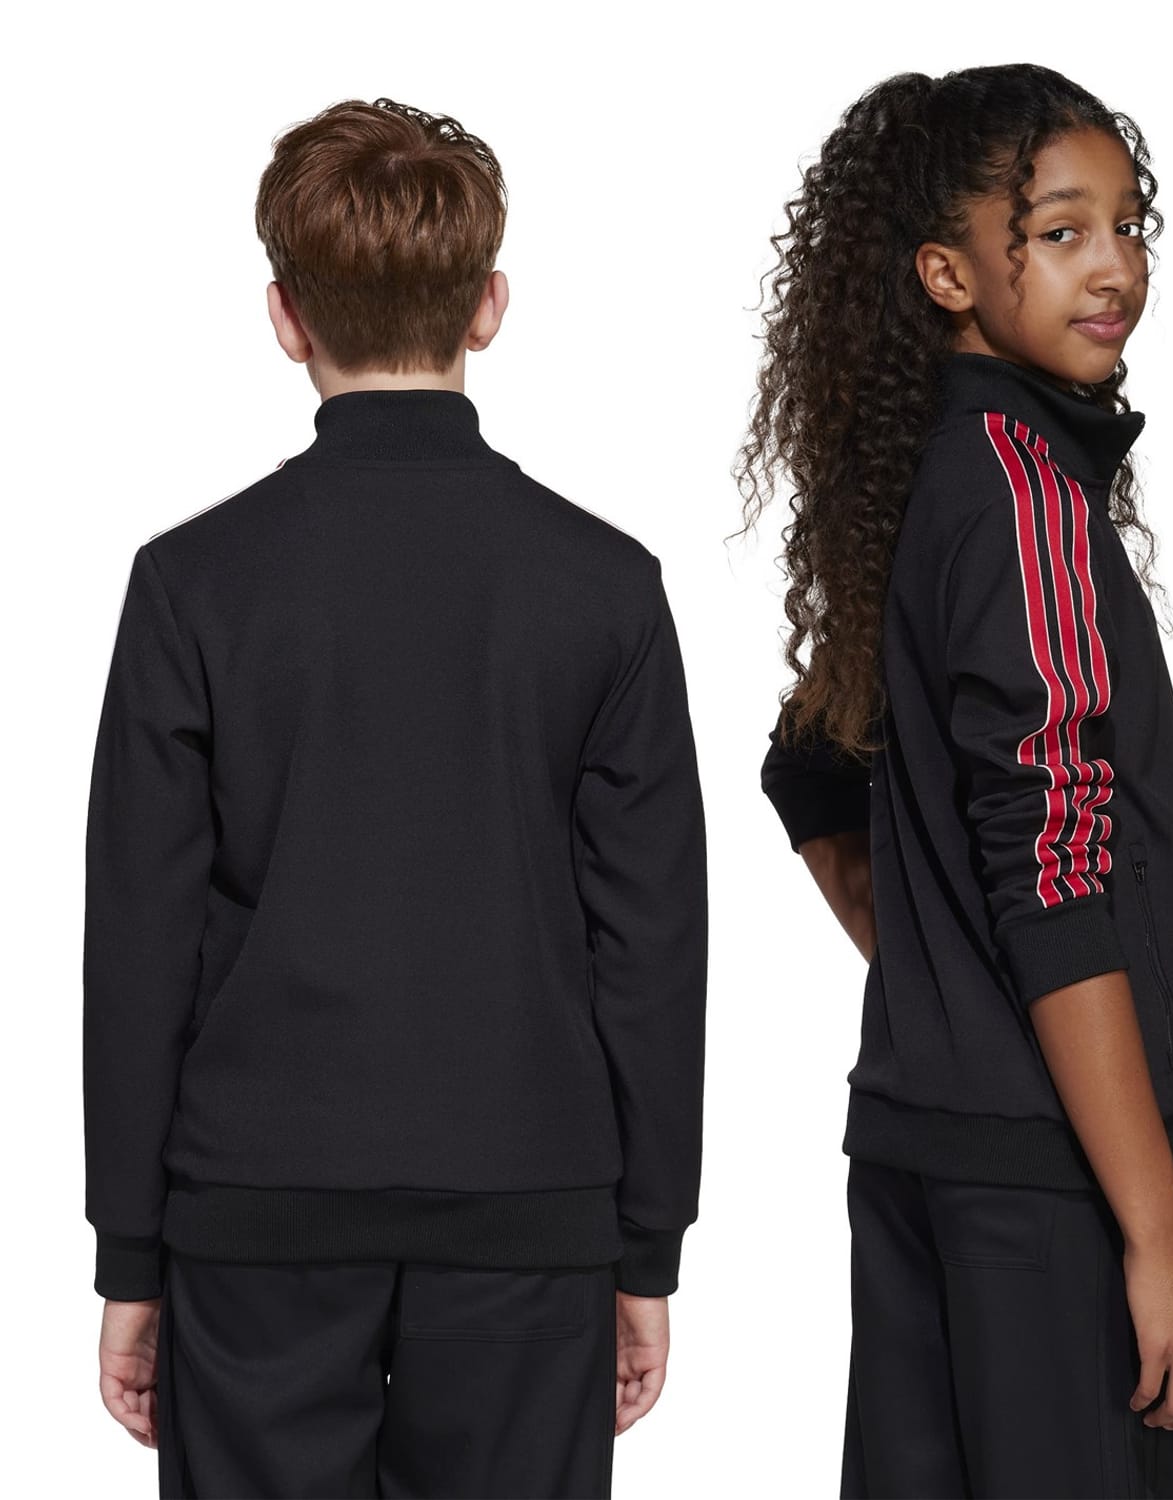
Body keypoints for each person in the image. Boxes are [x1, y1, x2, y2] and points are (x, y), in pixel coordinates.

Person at [82, 96, 708, 1499]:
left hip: (256, 1211)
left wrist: (131, 1257)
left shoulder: (193, 585)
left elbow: (138, 941)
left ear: (284, 316)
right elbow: (653, 942)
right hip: (530, 1205)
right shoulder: (606, 588)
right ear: (489, 306)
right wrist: (645, 1245)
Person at [734, 64, 1173, 1499]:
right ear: (948, 275)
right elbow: (1056, 873)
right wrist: (1159, 1236)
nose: (1114, 267)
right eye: (1061, 231)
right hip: (1064, 1182)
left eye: (1127, 225)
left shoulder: (935, 477)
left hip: (937, 1148)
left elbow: (815, 771)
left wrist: (947, 990)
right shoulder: (1020, 494)